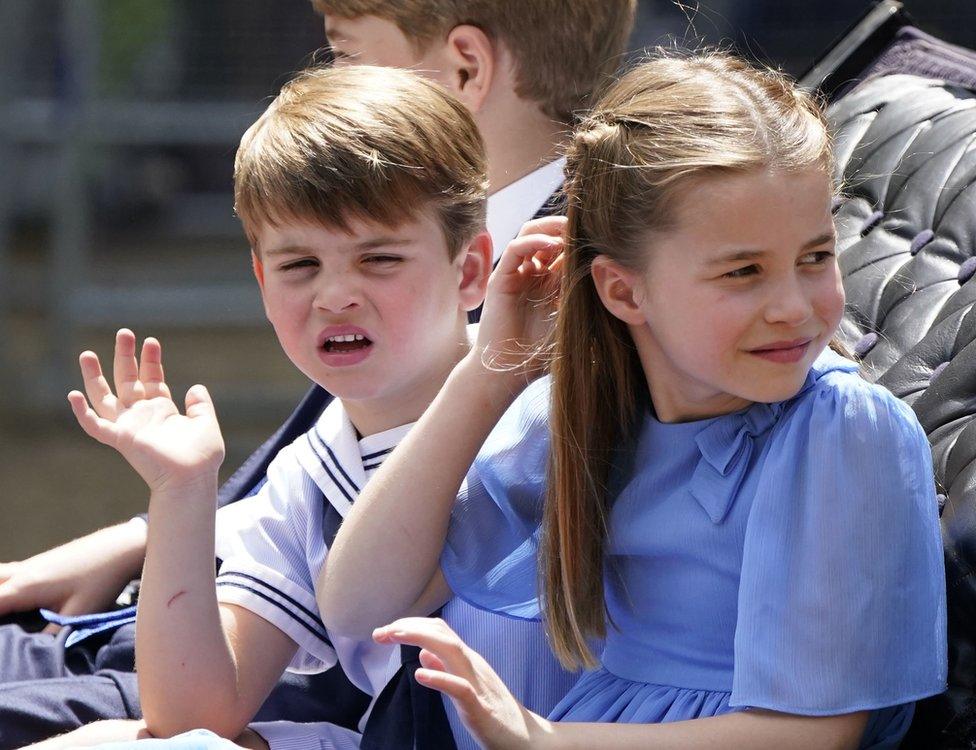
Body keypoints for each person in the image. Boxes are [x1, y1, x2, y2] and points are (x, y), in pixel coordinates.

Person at [0, 1, 635, 745]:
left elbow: (373, 600)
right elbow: (195, 714)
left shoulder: (538, 396)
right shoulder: (316, 465)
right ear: (261, 284)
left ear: (472, 270)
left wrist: (492, 373)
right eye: (300, 265)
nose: (336, 294)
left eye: (380, 259)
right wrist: (181, 493)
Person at [318, 51, 949, 749]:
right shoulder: (586, 413)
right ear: (623, 291)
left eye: (815, 257)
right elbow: (358, 602)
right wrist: (490, 373)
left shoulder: (841, 431)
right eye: (744, 271)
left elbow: (812, 734)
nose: (795, 307)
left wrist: (540, 739)